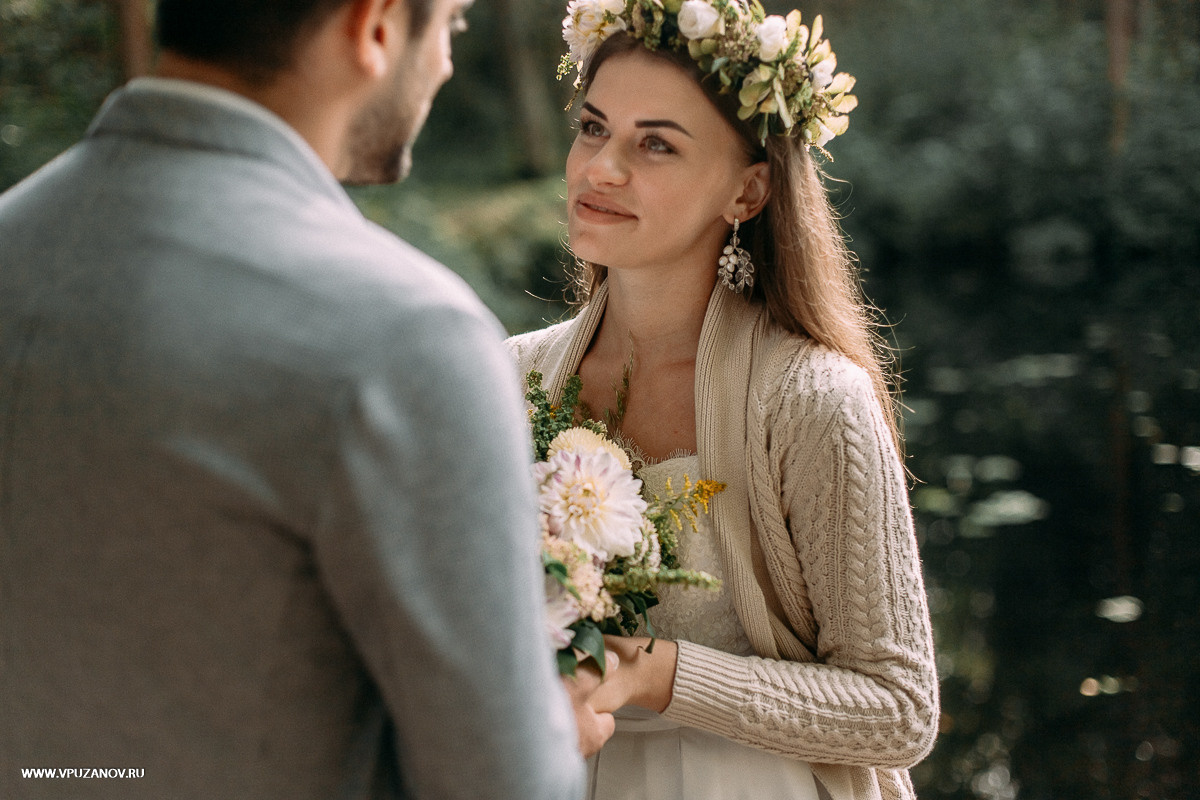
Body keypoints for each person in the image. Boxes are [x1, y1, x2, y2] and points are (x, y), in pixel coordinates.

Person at [0, 1, 609, 798]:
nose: (449, 63)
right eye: (452, 26)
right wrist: (557, 728)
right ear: (377, 26)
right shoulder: (407, 337)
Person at [507, 2, 940, 798]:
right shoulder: (511, 381)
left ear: (746, 192)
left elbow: (899, 710)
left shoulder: (812, 402)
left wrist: (655, 674)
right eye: (595, 128)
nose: (601, 168)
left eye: (657, 145)